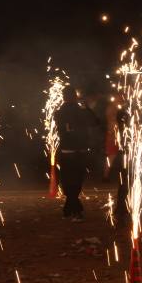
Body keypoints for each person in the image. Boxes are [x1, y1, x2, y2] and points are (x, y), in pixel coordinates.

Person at [56, 86, 99, 221]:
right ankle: (71, 210)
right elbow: (95, 122)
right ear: (75, 96)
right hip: (81, 151)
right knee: (76, 182)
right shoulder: (81, 111)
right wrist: (85, 106)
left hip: (68, 151)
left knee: (69, 182)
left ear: (63, 97)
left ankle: (74, 210)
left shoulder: (59, 112)